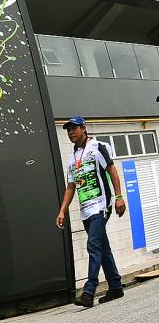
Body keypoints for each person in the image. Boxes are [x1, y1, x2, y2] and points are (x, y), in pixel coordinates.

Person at [56, 116, 127, 308]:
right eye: (68, 130)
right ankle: (116, 286)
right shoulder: (72, 158)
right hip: (85, 210)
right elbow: (71, 187)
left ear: (83, 128)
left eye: (74, 128)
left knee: (93, 245)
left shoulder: (97, 147)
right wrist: (62, 211)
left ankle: (89, 291)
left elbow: (112, 170)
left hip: (101, 205)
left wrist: (119, 197)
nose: (71, 132)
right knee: (103, 247)